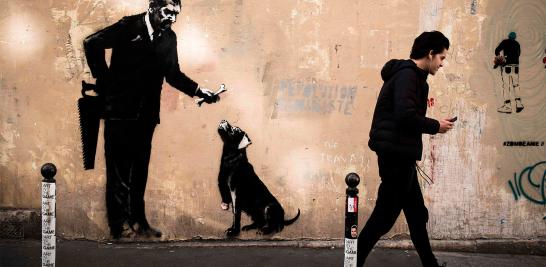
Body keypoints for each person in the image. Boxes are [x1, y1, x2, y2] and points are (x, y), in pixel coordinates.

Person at [83, 0, 220, 239]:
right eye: (168, 12)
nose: (172, 19)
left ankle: (139, 221)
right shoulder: (129, 26)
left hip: (146, 115)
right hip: (119, 111)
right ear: (153, 8)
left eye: (176, 14)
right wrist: (105, 81)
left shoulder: (169, 38)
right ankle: (119, 226)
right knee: (119, 171)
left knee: (139, 170)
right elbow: (92, 43)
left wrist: (199, 91)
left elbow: (173, 74)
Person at [357, 31, 453, 267]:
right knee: (384, 217)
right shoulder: (408, 76)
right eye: (442, 58)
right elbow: (404, 116)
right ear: (430, 54)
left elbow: (406, 115)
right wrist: (435, 125)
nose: (442, 64)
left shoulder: (415, 77)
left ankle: (430, 264)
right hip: (395, 156)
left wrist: (433, 123)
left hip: (402, 155)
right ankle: (352, 261)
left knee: (417, 215)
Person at [494, 32, 523, 113]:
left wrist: (500, 57)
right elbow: (519, 54)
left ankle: (507, 106)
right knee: (516, 85)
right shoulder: (517, 44)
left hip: (507, 67)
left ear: (509, 36)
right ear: (515, 37)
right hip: (516, 67)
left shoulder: (505, 42)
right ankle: (519, 104)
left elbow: (496, 50)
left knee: (507, 86)